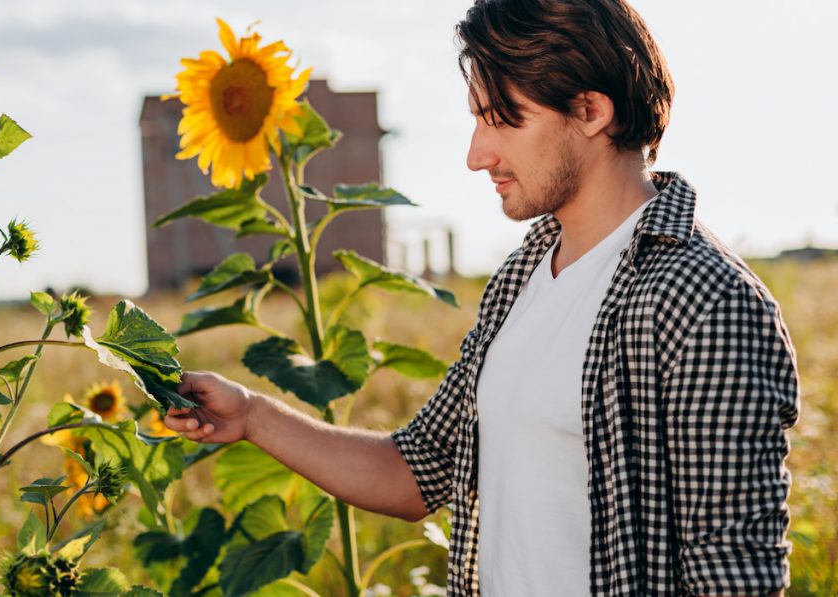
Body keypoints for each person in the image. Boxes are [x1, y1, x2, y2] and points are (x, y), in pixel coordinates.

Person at [164, 0, 800, 595]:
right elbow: (417, 470)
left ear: (589, 111)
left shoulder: (706, 301)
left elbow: (733, 577)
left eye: (502, 120)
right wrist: (252, 417)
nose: (476, 155)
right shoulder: (525, 273)